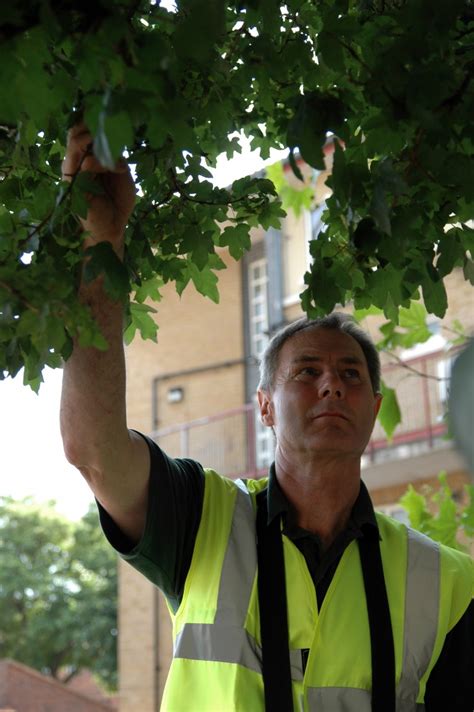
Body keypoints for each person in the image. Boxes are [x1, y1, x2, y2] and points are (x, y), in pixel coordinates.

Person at [61, 126, 473, 712]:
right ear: (264, 406)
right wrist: (101, 241)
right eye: (306, 372)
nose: (332, 382)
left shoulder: (451, 584)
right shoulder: (201, 519)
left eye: (352, 375)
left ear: (375, 408)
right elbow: (93, 448)